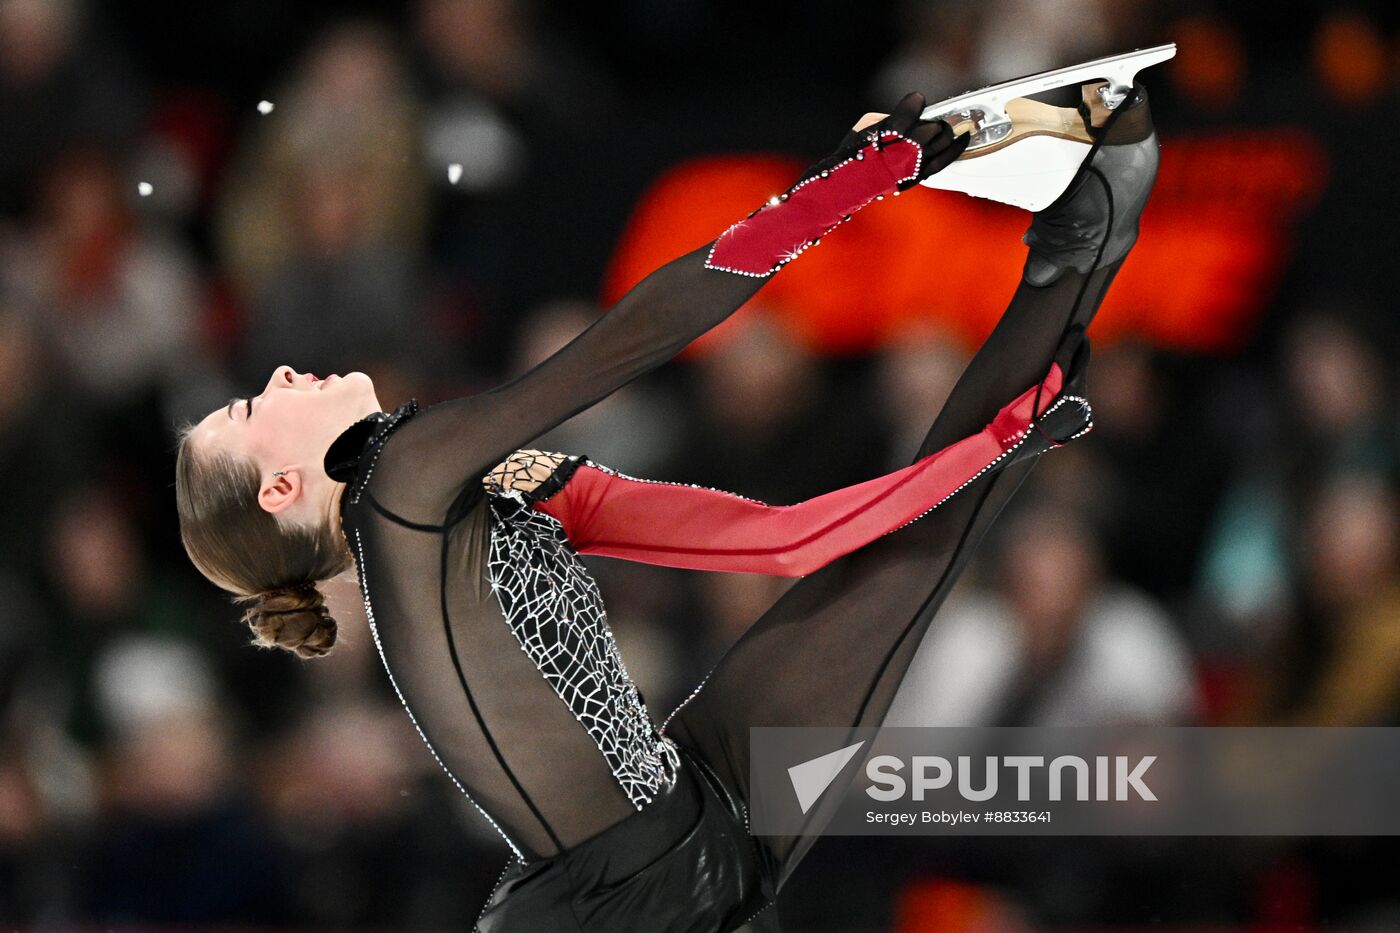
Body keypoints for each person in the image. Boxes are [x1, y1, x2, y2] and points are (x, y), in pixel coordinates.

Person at [175, 83, 1159, 932]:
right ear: (281, 488)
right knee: (913, 564)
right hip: (631, 894)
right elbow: (636, 337)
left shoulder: (445, 496)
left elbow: (773, 542)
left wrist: (975, 466)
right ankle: (1078, 253)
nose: (284, 374)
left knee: (908, 561)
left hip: (678, 816)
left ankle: (1079, 246)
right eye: (256, 406)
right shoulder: (402, 481)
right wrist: (862, 175)